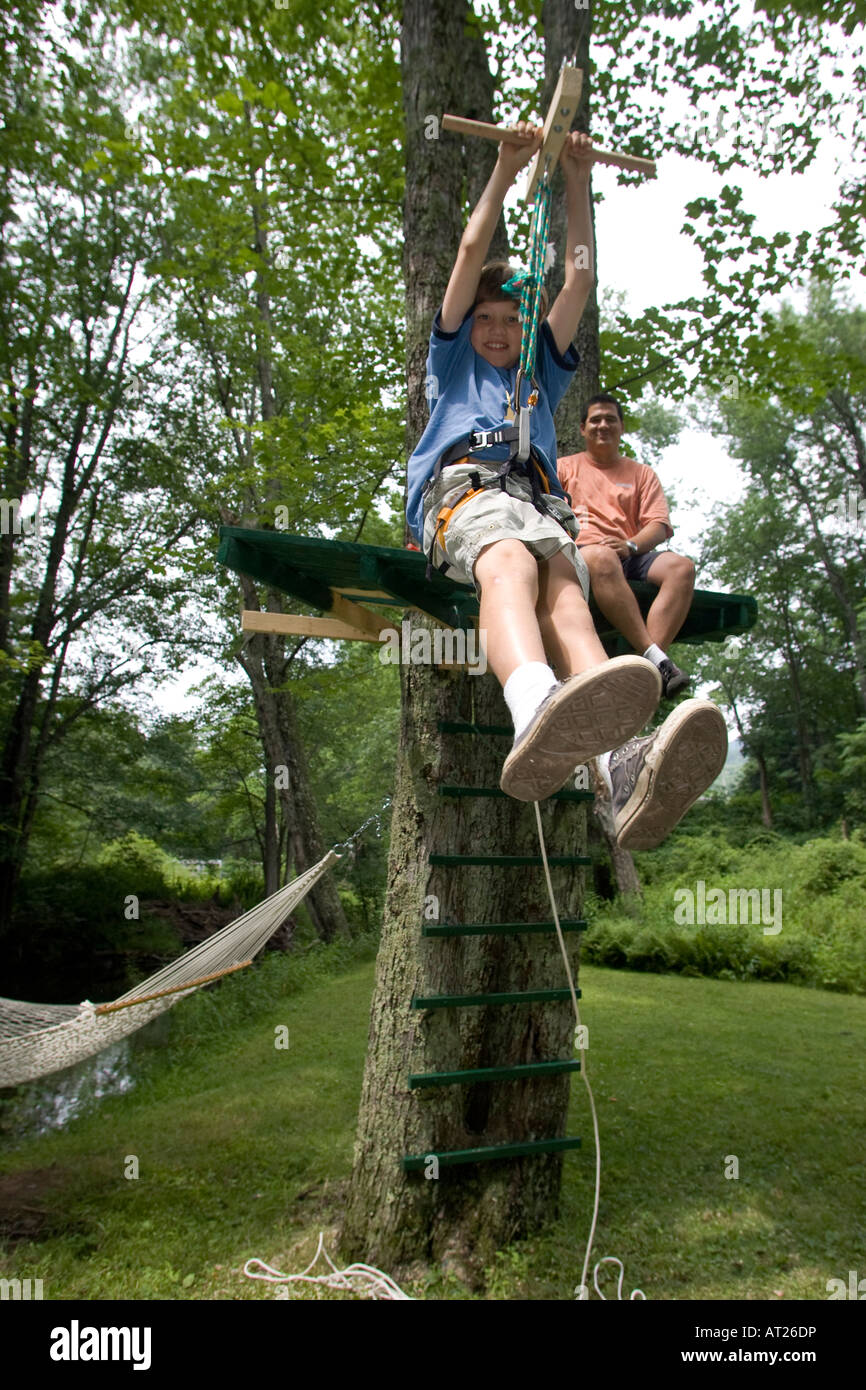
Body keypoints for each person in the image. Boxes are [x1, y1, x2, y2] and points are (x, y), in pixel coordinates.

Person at [405, 124, 727, 844]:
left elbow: (578, 276)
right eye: (483, 319)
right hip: (466, 493)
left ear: (524, 329)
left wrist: (578, 178)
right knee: (511, 560)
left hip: (538, 505)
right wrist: (506, 165)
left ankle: (621, 767)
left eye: (506, 321)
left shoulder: (539, 375)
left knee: (568, 597)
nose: (494, 331)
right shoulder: (454, 366)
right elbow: (466, 253)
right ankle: (533, 704)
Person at [558, 396, 696, 697]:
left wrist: (630, 544)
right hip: (583, 554)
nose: (603, 425)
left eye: (610, 419)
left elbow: (659, 525)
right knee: (602, 557)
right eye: (595, 420)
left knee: (682, 568)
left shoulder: (642, 474)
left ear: (621, 427)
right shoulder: (563, 468)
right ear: (582, 428)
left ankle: (646, 668)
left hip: (630, 554)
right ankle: (656, 661)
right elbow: (543, 512)